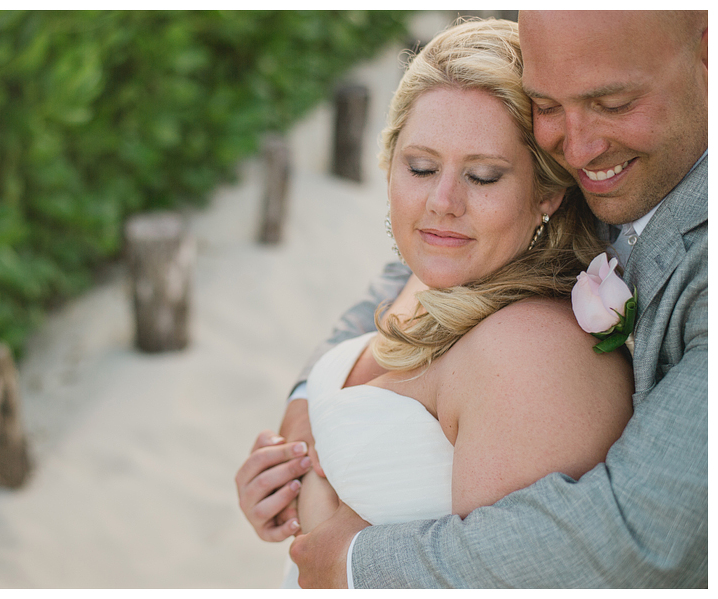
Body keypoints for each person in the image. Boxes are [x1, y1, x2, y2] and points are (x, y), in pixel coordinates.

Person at [236, 10, 708, 588]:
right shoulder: (472, 246)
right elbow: (407, 274)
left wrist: (355, 566)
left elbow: (638, 535)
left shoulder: (533, 351)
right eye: (419, 166)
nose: (579, 149)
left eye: (484, 175)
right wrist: (303, 424)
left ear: (547, 195)